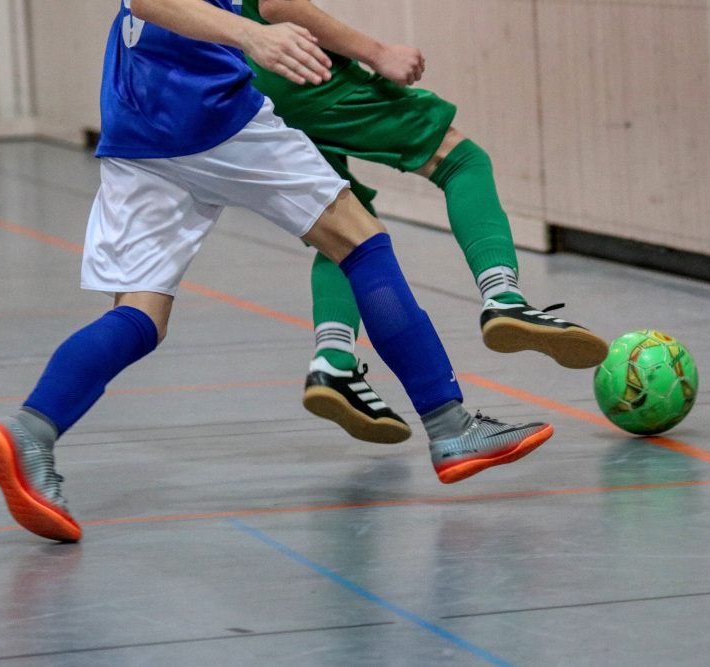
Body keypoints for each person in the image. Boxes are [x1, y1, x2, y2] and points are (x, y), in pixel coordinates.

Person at [0, 0, 553, 544]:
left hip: (136, 119)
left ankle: (31, 430)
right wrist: (252, 34)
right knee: (361, 241)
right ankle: (450, 426)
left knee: (140, 314)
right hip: (207, 112)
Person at [238, 0, 609, 445]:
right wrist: (376, 53)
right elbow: (276, 3)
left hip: (244, 81)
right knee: (460, 160)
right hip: (295, 66)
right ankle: (503, 296)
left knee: (344, 226)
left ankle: (333, 361)